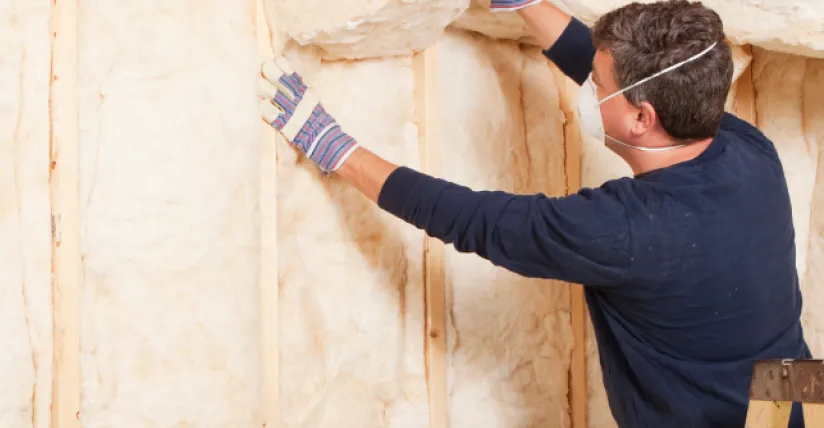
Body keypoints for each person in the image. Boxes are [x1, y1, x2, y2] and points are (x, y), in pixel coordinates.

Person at [255, 0, 813, 426]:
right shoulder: (743, 147)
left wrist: (335, 148)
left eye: (599, 87)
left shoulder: (626, 230)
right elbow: (618, 75)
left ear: (643, 119)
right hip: (799, 398)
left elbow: (474, 219)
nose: (591, 89)